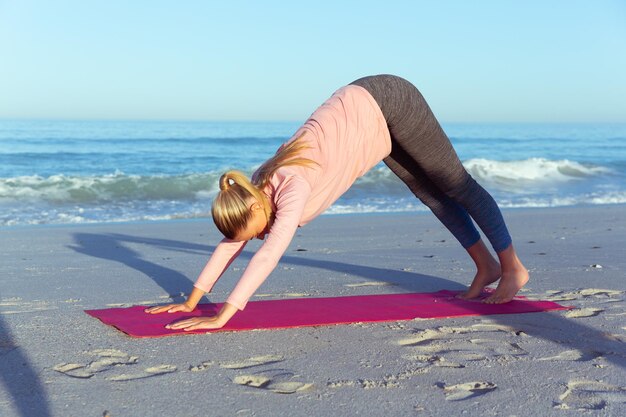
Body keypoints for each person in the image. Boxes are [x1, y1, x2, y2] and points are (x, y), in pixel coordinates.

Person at [145, 74, 529, 331]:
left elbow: (269, 255)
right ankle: (486, 266)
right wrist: (193, 300)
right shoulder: (253, 191)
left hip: (389, 101)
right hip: (366, 118)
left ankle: (512, 269)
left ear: (260, 208)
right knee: (429, 194)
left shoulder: (291, 186)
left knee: (455, 183)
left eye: (259, 229)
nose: (260, 237)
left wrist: (224, 315)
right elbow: (231, 242)